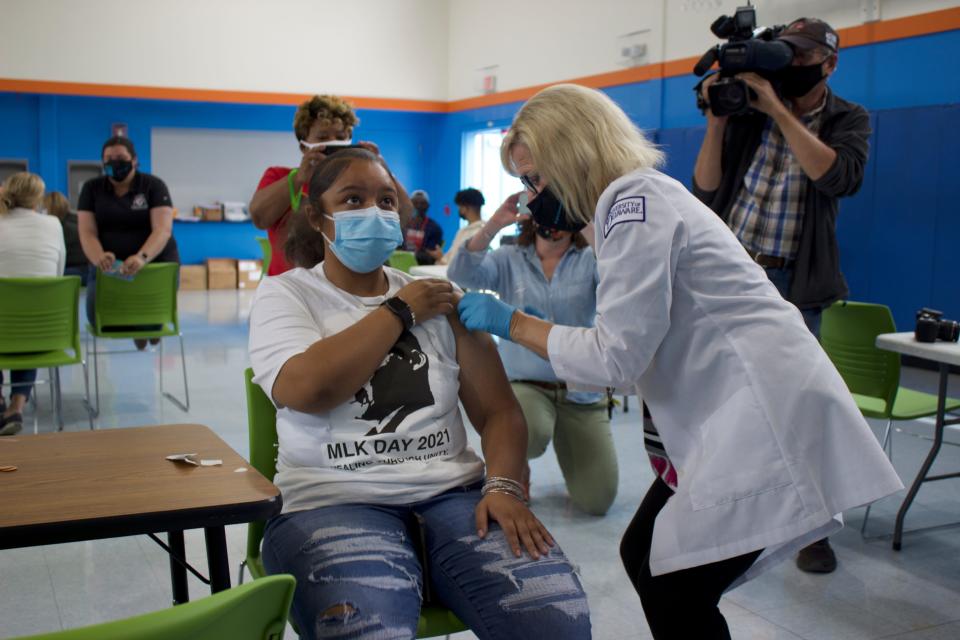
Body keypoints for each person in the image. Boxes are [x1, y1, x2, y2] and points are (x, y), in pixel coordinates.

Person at [456, 84, 901, 640]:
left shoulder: (632, 204)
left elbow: (615, 356)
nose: (530, 198)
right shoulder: (623, 210)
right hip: (731, 414)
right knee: (645, 555)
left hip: (762, 416)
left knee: (673, 584)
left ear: (572, 155)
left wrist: (511, 323)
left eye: (535, 180)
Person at [248, 148, 590, 640]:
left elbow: (500, 413)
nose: (376, 212)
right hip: (332, 500)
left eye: (387, 200)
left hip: (453, 497)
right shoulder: (288, 294)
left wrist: (504, 488)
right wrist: (399, 313)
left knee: (557, 623)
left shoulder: (440, 299)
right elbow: (306, 388)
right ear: (314, 215)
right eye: (352, 200)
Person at [693, 17, 870, 574]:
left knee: (800, 404)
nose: (791, 66)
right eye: (784, 54)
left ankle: (814, 525)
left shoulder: (848, 118)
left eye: (802, 58)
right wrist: (719, 122)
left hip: (796, 283)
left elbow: (836, 176)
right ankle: (729, 508)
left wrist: (777, 111)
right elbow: (705, 185)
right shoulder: (745, 111)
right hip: (732, 275)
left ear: (828, 63)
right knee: (718, 398)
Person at [447, 196, 617, 516]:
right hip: (526, 383)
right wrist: (495, 224)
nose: (553, 226)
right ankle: (517, 465)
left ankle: (563, 454)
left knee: (598, 500)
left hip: (581, 388)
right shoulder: (509, 258)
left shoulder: (589, 258)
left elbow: (620, 278)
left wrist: (591, 225)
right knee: (532, 432)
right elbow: (463, 274)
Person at [250, 94, 394, 276]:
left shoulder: (357, 184)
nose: (332, 142)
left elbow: (402, 215)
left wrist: (379, 168)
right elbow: (259, 218)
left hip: (344, 287)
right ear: (304, 147)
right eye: (323, 137)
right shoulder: (280, 176)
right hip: (289, 287)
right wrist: (299, 178)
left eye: (340, 137)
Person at [77, 136, 179, 350]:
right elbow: (86, 232)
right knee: (102, 321)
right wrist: (99, 257)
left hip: (152, 263)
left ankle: (147, 329)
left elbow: (162, 229)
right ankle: (141, 330)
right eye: (108, 158)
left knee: (151, 323)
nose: (115, 163)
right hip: (109, 268)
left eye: (121, 158)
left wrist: (142, 257)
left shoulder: (153, 185)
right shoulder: (92, 188)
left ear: (134, 160)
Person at [0, 172, 65, 436]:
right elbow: (58, 274)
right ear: (38, 198)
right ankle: (16, 406)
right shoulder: (53, 224)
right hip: (44, 331)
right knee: (29, 318)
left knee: (8, 320)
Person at [424, 187, 485, 265]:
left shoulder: (477, 233)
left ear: (466, 207)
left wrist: (441, 258)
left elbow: (461, 265)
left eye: (459, 206)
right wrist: (441, 257)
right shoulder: (464, 231)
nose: (458, 209)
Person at [44, 191, 89, 285]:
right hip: (89, 269)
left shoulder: (61, 227)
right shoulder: (77, 219)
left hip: (75, 271)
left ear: (49, 209)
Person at [403, 189, 443, 264]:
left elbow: (430, 256)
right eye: (415, 203)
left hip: (422, 268)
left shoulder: (434, 228)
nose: (418, 206)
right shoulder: (403, 224)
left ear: (428, 206)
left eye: (422, 203)